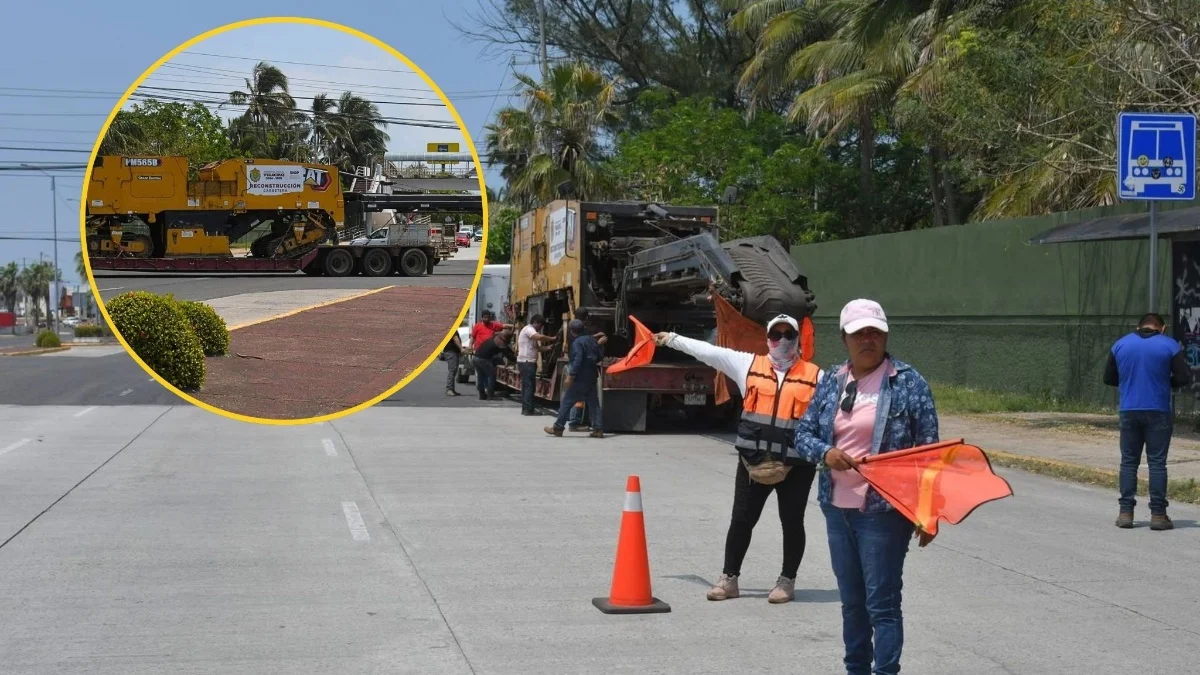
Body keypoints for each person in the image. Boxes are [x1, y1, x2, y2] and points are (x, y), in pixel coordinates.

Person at [792, 298, 939, 675]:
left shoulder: (908, 382)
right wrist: (826, 453)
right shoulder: (833, 381)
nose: (867, 340)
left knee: (882, 604)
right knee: (852, 603)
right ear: (844, 339)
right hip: (837, 509)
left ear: (885, 335)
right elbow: (803, 434)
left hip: (885, 513)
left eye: (874, 332)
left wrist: (928, 513)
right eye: (859, 333)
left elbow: (929, 452)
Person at [653, 314, 823, 604]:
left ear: (797, 339)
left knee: (792, 521)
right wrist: (671, 339)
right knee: (742, 520)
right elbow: (710, 352)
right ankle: (729, 579)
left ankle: (786, 581)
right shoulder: (748, 365)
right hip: (753, 462)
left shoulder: (816, 376)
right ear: (767, 339)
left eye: (788, 335)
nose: (782, 341)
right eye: (775, 335)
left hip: (796, 466)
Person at [1103, 312, 1192, 530]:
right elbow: (1183, 377)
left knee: (1129, 462)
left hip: (1129, 409)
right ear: (1162, 328)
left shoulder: (1120, 345)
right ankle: (1159, 515)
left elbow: (1109, 378)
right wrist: (1163, 381)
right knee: (1157, 463)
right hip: (1158, 410)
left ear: (1138, 326)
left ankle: (1125, 513)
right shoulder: (1169, 345)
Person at [545, 319, 605, 438]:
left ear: (572, 332)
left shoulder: (577, 342)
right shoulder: (593, 340)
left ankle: (558, 428)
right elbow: (599, 356)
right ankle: (598, 429)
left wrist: (571, 375)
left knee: (567, 402)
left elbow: (578, 360)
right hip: (592, 377)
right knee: (594, 404)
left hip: (580, 378)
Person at [517, 314, 557, 415]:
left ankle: (526, 408)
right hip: (527, 362)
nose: (540, 328)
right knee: (529, 386)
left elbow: (537, 349)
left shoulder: (530, 333)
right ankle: (528, 409)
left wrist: (548, 348)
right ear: (535, 322)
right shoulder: (529, 329)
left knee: (528, 386)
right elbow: (539, 337)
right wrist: (552, 338)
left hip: (528, 362)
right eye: (540, 325)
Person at [473, 328, 516, 400]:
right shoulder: (501, 343)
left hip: (476, 358)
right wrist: (516, 359)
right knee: (491, 375)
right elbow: (508, 354)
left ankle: (482, 395)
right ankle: (490, 395)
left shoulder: (496, 337)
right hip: (484, 359)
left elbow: (507, 349)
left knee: (481, 377)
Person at [439, 331, 463, 397]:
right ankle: (449, 389)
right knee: (452, 370)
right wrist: (461, 348)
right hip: (451, 352)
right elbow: (455, 339)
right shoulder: (453, 329)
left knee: (453, 370)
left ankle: (451, 389)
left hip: (451, 351)